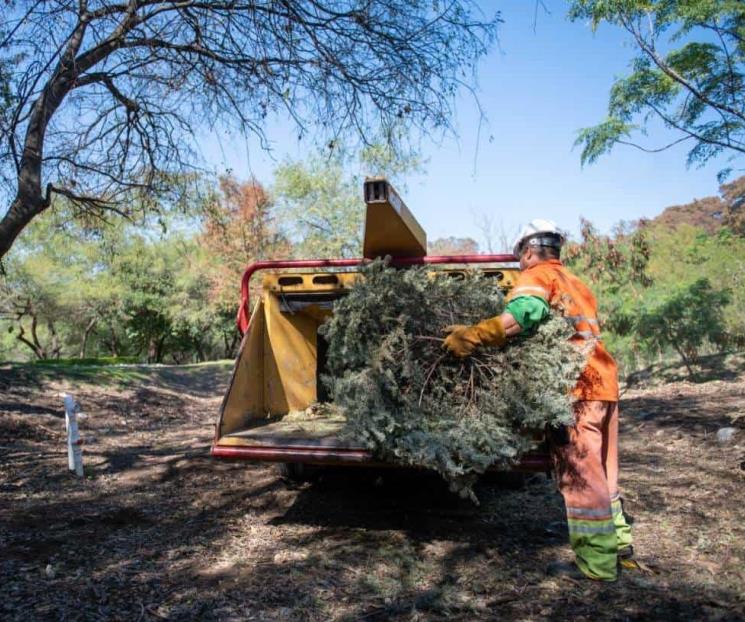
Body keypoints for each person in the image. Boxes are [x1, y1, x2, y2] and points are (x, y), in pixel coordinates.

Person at [442, 219, 633, 582]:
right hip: (604, 385)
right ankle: (619, 545)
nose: (520, 265)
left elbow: (523, 315)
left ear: (528, 252)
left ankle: (597, 568)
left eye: (520, 258)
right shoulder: (576, 283)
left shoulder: (537, 276)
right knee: (605, 475)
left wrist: (474, 336)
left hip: (575, 392)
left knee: (582, 478)